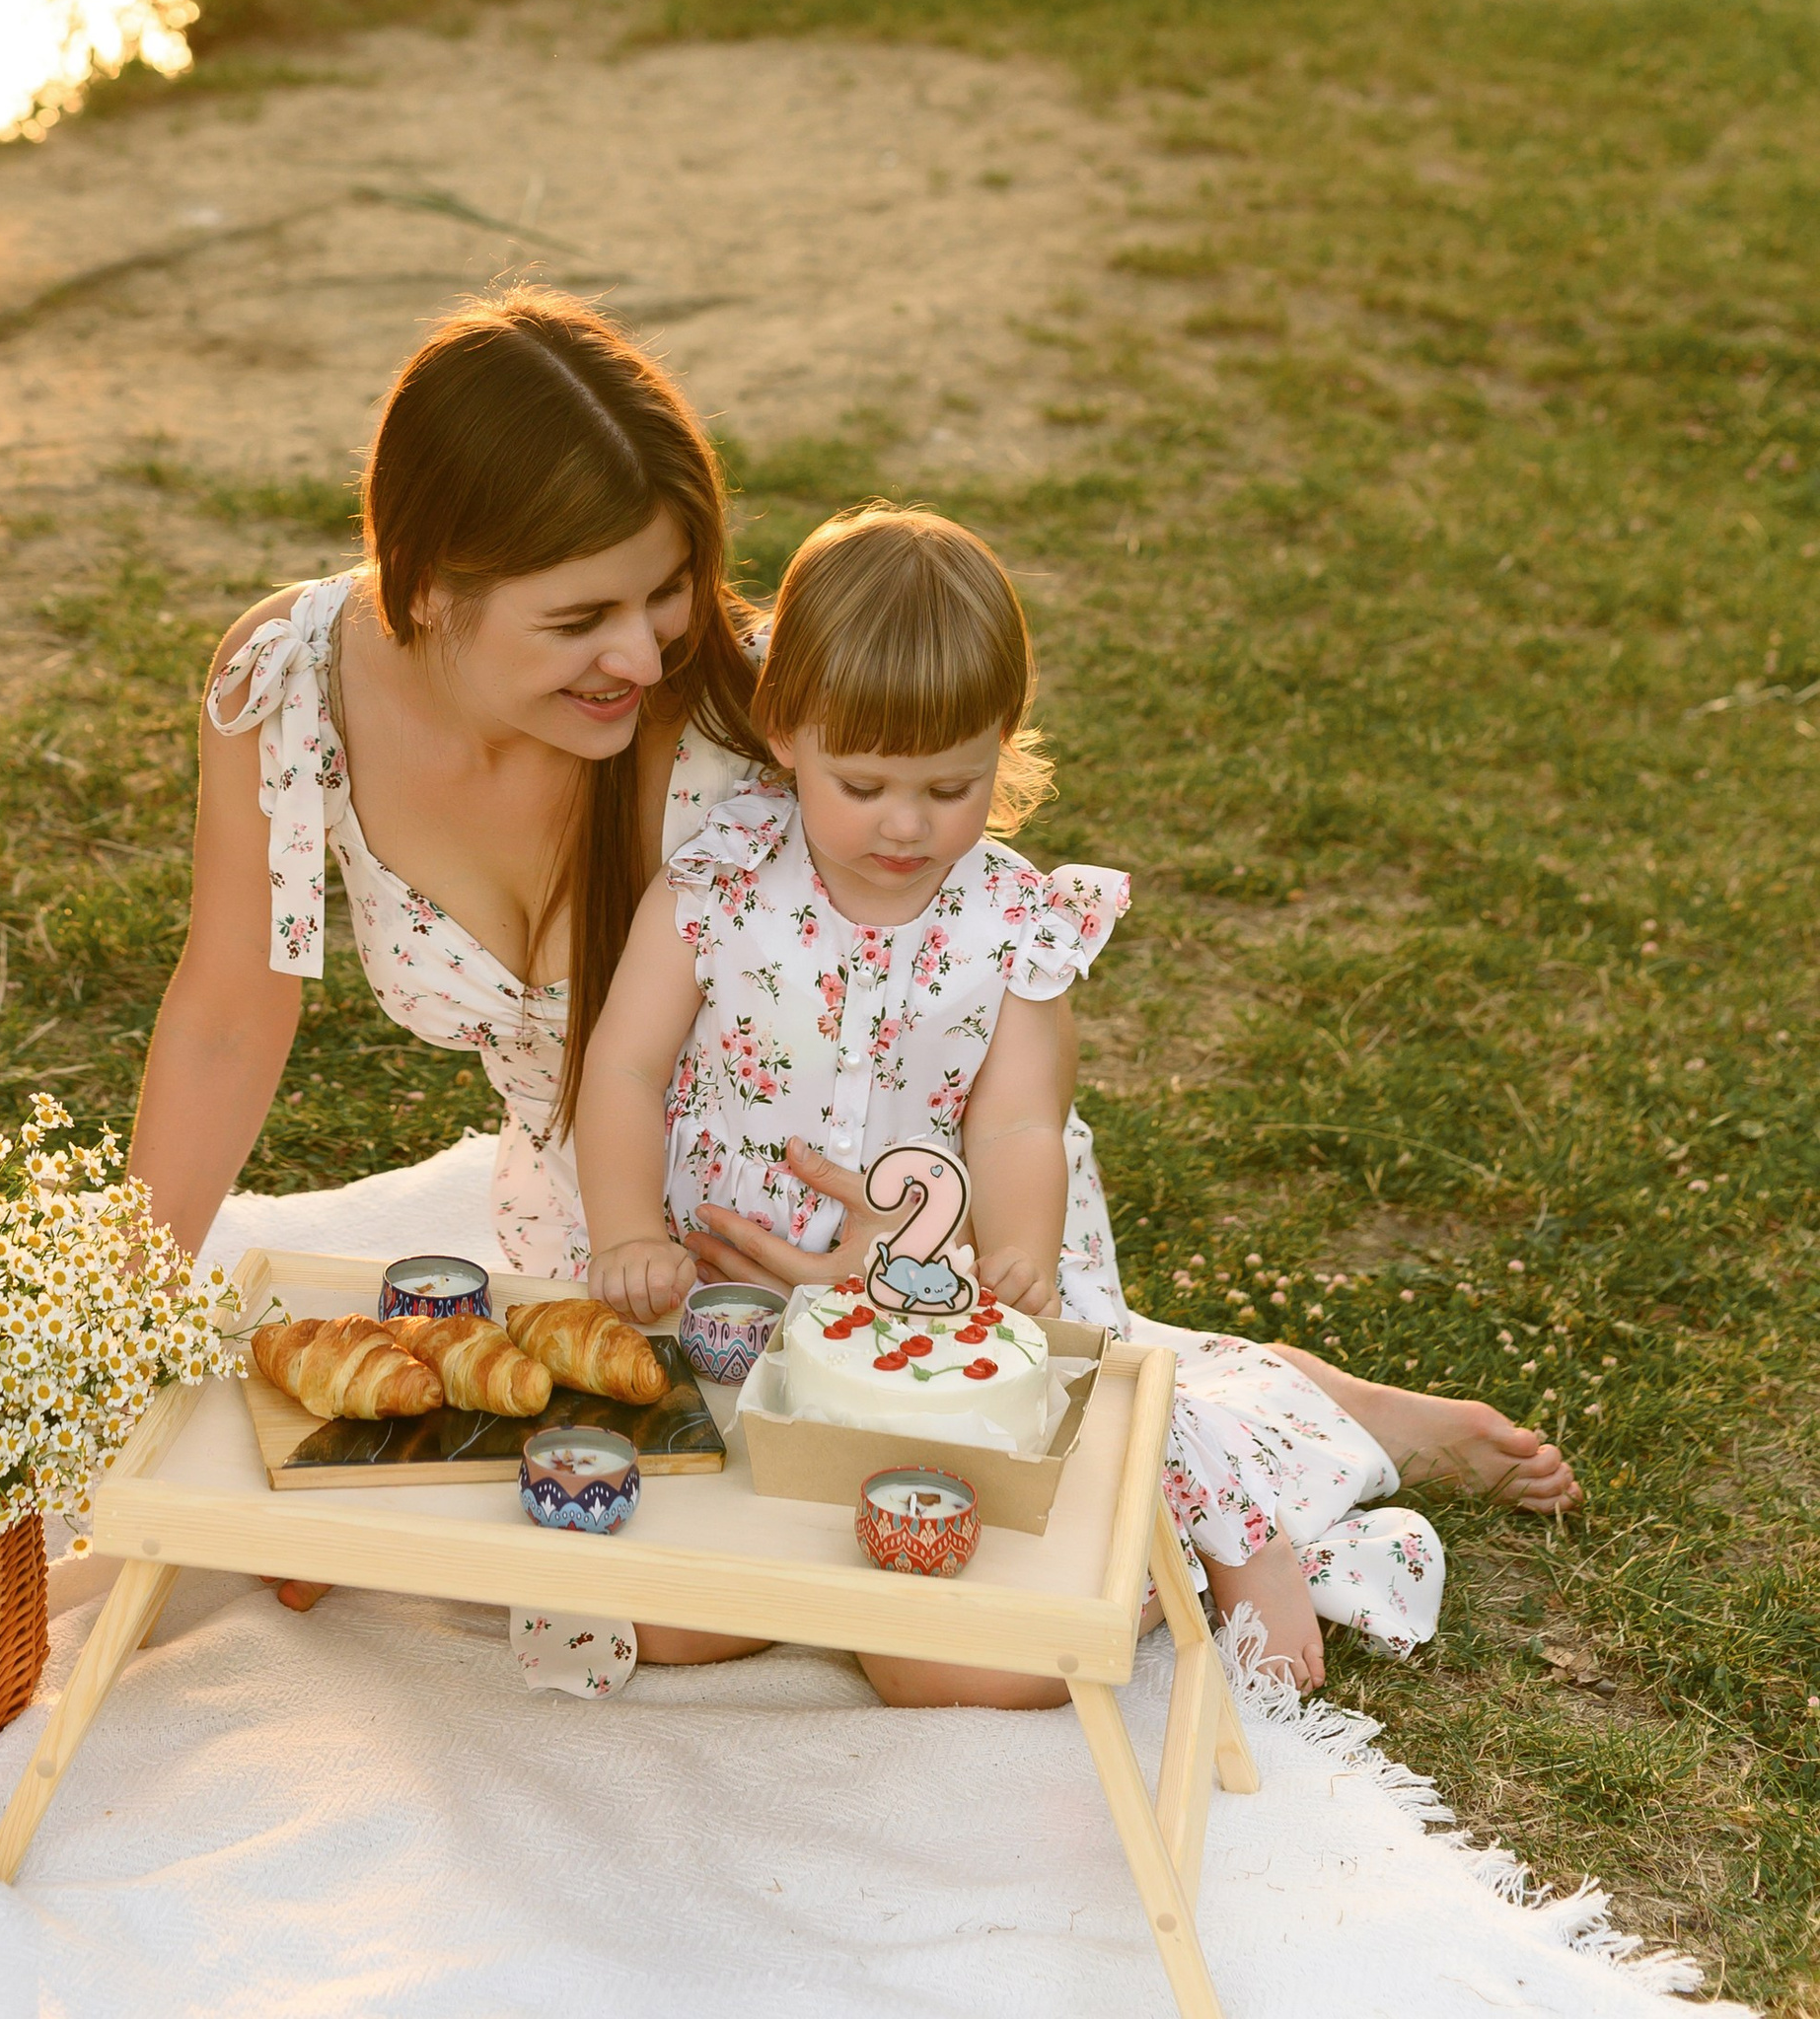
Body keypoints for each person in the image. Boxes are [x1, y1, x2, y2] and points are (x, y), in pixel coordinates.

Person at [126, 292, 1576, 1696]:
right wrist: (114, 1318)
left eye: (665, 591)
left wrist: (876, 1263)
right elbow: (222, 1019)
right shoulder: (291, 690)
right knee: (649, 1585)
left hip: (874, 1195)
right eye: (581, 619)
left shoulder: (750, 722)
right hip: (619, 1219)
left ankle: (1263, 1428)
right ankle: (1277, 1398)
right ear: (427, 586)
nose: (643, 654)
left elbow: (944, 982)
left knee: (919, 1565)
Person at [578, 502, 1500, 1698]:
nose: (907, 824)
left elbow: (1017, 1122)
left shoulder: (1010, 923)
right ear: (785, 728)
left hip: (939, 1297)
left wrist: (1007, 1248)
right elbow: (625, 1066)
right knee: (669, 1619)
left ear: (1002, 744)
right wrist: (625, 1232)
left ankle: (1250, 1497)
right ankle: (1256, 1389)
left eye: (952, 785)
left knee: (964, 1670)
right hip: (737, 1295)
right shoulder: (717, 882)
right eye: (864, 783)